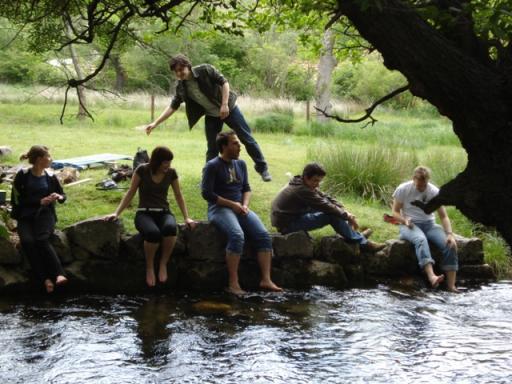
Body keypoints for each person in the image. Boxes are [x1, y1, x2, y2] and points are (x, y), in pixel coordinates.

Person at [144, 54, 272, 182]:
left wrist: (224, 104)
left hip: (229, 108)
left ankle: (263, 169)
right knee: (212, 148)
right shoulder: (181, 87)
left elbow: (224, 83)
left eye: (181, 69)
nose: (179, 73)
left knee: (246, 138)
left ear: (188, 66)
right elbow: (172, 107)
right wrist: (155, 123)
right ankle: (208, 179)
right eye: (176, 71)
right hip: (211, 115)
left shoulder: (205, 70)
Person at [201, 130, 282, 295]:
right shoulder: (212, 166)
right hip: (219, 209)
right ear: (224, 146)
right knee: (237, 235)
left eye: (239, 143)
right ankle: (233, 283)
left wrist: (244, 205)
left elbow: (246, 188)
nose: (240, 146)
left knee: (263, 235)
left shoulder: (241, 164)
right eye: (235, 143)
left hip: (240, 208)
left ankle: (266, 280)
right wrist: (232, 204)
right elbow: (207, 194)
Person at [105, 146, 197, 287]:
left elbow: (179, 195)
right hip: (144, 213)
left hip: (164, 212)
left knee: (171, 228)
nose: (168, 165)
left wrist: (186, 217)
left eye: (170, 162)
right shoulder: (142, 170)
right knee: (153, 233)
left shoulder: (171, 173)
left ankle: (163, 264)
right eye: (165, 162)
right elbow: (130, 192)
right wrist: (116, 213)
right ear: (157, 161)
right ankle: (149, 268)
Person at [271, 162, 386, 252]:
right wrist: (346, 216)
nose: (318, 184)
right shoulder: (302, 190)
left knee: (334, 210)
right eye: (316, 180)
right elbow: (325, 206)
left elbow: (325, 197)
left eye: (319, 181)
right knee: (331, 215)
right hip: (288, 225)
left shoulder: (301, 182)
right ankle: (364, 243)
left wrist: (344, 210)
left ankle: (354, 235)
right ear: (306, 177)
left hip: (294, 215)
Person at [11, 145, 68, 293]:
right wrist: (39, 201)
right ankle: (45, 279)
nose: (51, 159)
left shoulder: (51, 176)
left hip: (45, 214)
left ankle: (59, 274)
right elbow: (16, 201)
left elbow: (63, 195)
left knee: (41, 239)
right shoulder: (22, 176)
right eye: (48, 157)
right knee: (28, 242)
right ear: (39, 159)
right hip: (25, 215)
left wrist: (58, 196)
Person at [392, 166, 458, 292]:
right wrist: (404, 220)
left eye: (424, 185)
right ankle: (432, 276)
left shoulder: (434, 192)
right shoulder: (403, 189)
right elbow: (395, 212)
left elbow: (443, 216)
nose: (422, 188)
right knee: (421, 239)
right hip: (409, 225)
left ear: (428, 180)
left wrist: (449, 234)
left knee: (451, 245)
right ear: (413, 179)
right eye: (419, 186)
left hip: (429, 225)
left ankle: (451, 286)